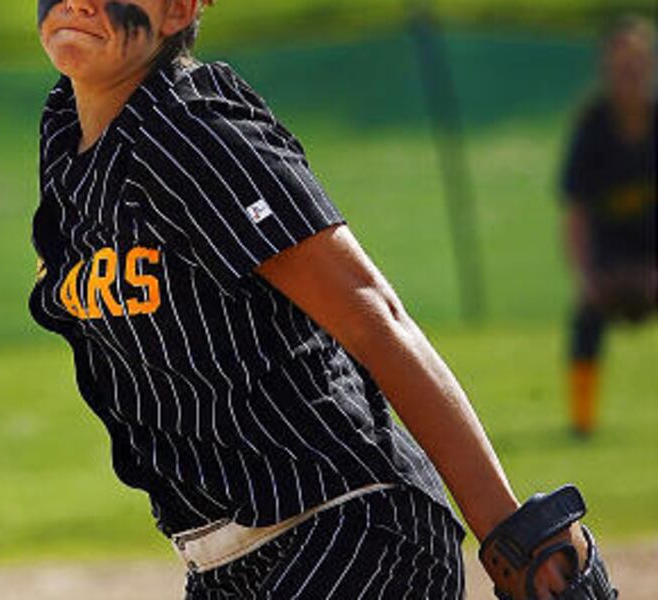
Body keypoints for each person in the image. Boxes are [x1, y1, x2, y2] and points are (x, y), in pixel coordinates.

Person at [30, 1, 601, 598]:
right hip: (228, 561)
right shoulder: (68, 139)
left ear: (179, 10)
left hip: (349, 530)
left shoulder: (194, 131)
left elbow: (372, 314)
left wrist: (510, 534)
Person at [561, 16, 657, 436]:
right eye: (620, 67)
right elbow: (576, 212)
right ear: (606, 70)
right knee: (586, 318)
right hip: (610, 259)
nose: (628, 75)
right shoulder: (592, 127)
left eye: (636, 65)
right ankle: (582, 423)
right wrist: (585, 277)